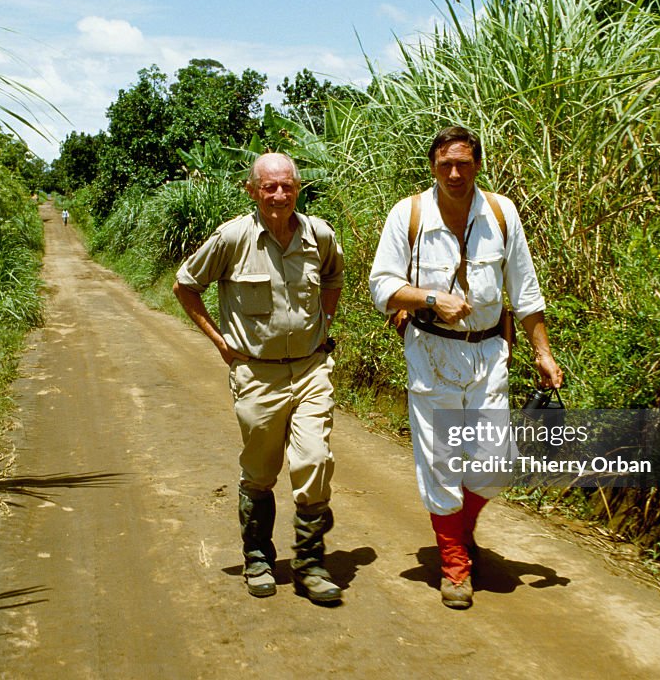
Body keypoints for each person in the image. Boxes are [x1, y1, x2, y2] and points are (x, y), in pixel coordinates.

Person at [368, 126, 563, 609]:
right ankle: (454, 562)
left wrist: (542, 351)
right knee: (441, 461)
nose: (454, 173)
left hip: (490, 352)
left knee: (496, 463)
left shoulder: (500, 213)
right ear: (432, 167)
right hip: (431, 354)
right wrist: (431, 298)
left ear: (477, 165)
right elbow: (381, 287)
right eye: (444, 164)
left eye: (464, 163)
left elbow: (525, 291)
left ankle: (462, 525)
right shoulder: (408, 214)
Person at [173, 153, 345, 604]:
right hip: (257, 376)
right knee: (261, 472)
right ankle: (258, 556)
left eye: (287, 186)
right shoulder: (232, 238)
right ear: (252, 190)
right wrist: (219, 340)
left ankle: (310, 564)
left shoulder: (319, 235)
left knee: (313, 461)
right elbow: (185, 285)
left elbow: (334, 277)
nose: (279, 196)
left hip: (311, 368)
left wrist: (325, 326)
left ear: (298, 188)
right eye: (269, 187)